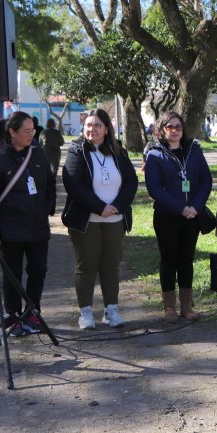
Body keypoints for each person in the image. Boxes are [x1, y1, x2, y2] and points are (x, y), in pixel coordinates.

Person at [62, 108, 138, 330]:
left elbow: (131, 181)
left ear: (107, 129)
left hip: (114, 220)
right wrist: (99, 207)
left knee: (110, 266)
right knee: (86, 266)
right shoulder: (76, 151)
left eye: (97, 125)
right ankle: (85, 313)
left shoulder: (117, 152)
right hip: (87, 221)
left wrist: (118, 207)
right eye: (88, 125)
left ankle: (111, 311)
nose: (92, 129)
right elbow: (73, 184)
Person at [144, 111, 212, 323]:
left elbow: (205, 181)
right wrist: (180, 208)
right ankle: (169, 307)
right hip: (167, 216)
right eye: (170, 127)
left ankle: (186, 306)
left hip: (192, 215)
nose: (174, 131)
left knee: (186, 260)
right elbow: (154, 188)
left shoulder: (194, 150)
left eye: (178, 127)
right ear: (162, 129)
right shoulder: (155, 154)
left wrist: (195, 206)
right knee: (169, 260)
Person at [0, 111, 56, 337]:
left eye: (33, 131)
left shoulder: (38, 155)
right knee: (13, 274)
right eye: (26, 131)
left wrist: (47, 208)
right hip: (10, 229)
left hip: (37, 227)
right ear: (12, 132)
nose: (31, 135)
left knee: (38, 270)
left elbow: (49, 184)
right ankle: (13, 315)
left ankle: (32, 312)